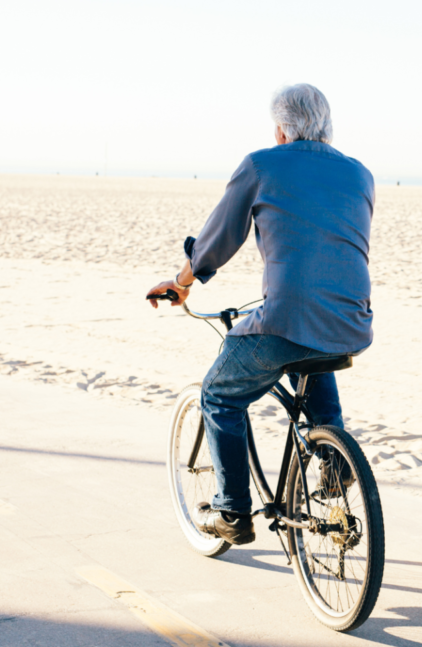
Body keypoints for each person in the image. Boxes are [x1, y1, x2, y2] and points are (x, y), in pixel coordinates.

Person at [147, 84, 375, 545]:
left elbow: (217, 240)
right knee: (309, 349)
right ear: (327, 126)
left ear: (280, 129)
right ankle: (334, 466)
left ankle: (232, 510)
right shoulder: (360, 174)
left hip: (288, 315)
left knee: (220, 395)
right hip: (352, 320)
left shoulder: (262, 164)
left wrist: (184, 281)